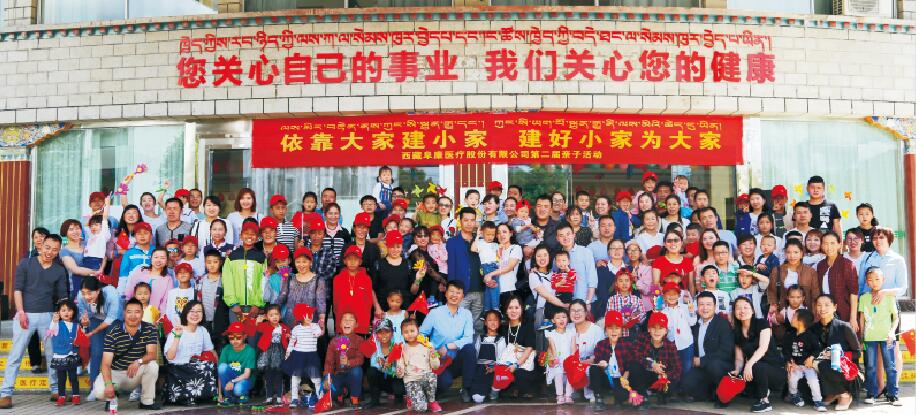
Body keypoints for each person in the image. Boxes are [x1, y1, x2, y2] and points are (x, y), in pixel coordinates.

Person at [0, 234, 68, 409]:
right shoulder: (26, 264)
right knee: (15, 355)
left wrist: (58, 316)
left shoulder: (59, 270)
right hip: (26, 315)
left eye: (55, 250)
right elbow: (17, 290)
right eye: (47, 247)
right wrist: (21, 312)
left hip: (49, 316)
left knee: (53, 355)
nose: (50, 252)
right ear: (41, 245)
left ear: (58, 251)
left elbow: (62, 297)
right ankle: (5, 394)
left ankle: (56, 389)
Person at [93, 298, 160, 412]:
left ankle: (147, 401)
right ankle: (112, 398)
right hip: (116, 373)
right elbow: (106, 364)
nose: (133, 316)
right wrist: (108, 384)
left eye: (137, 312)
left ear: (142, 313)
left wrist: (138, 362)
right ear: (124, 313)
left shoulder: (150, 329)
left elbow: (152, 354)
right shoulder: (113, 332)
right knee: (99, 392)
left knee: (153, 366)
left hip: (136, 372)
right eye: (129, 312)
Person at [419, 281, 476, 402]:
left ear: (462, 296)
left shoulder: (466, 314)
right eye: (452, 291)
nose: (454, 295)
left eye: (458, 293)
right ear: (446, 293)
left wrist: (447, 346)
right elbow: (421, 335)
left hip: (456, 359)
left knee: (470, 349)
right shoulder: (435, 313)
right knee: (444, 383)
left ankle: (466, 389)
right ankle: (432, 391)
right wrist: (431, 349)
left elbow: (468, 338)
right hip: (438, 360)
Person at [732, 296, 786, 413]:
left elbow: (763, 348)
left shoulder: (762, 323)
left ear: (752, 311)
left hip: (774, 371)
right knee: (734, 382)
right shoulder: (736, 332)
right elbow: (739, 358)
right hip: (754, 370)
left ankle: (765, 402)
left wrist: (749, 364)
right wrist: (737, 370)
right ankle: (760, 391)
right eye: (738, 308)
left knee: (757, 366)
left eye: (745, 307)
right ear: (734, 312)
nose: (742, 311)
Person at [680, 292, 735, 406]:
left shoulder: (722, 324)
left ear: (715, 307)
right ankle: (710, 393)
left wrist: (702, 360)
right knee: (686, 384)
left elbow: (726, 352)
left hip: (719, 367)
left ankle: (724, 394)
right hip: (701, 368)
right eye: (701, 304)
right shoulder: (693, 323)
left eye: (708, 304)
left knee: (714, 365)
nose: (705, 308)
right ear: (697, 306)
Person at [859, 268, 901, 406]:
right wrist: (861, 337)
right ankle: (872, 394)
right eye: (870, 280)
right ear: (867, 282)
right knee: (870, 366)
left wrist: (892, 332)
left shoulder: (889, 297)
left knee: (890, 367)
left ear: (883, 280)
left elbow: (896, 318)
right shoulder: (864, 298)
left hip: (887, 337)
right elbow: (862, 319)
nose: (874, 282)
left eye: (877, 279)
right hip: (869, 338)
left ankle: (893, 395)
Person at [811, 295, 860, 411]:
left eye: (827, 305)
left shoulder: (844, 327)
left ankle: (844, 394)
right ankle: (833, 393)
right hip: (822, 364)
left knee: (825, 364)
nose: (822, 308)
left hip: (846, 368)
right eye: (819, 305)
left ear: (835, 307)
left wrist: (837, 355)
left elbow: (857, 353)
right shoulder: (813, 328)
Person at [163, 301, 217, 405]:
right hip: (178, 368)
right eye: (192, 311)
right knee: (203, 367)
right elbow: (169, 357)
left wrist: (217, 366)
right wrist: (177, 336)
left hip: (195, 366)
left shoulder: (202, 330)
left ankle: (198, 396)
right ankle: (188, 396)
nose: (195, 314)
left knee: (209, 365)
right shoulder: (176, 330)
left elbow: (211, 351)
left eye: (199, 311)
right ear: (185, 313)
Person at [76, 276, 122, 394]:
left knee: (111, 352)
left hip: (114, 320)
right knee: (96, 352)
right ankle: (94, 388)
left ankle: (114, 387)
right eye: (84, 293)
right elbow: (83, 315)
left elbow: (111, 318)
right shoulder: (81, 296)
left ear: (98, 290)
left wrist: (93, 332)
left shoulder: (111, 293)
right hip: (95, 319)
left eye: (89, 293)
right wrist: (84, 322)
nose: (86, 296)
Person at [782, 309, 826, 411]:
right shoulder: (790, 335)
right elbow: (786, 350)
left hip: (808, 366)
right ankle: (794, 395)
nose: (791, 318)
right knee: (792, 378)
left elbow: (817, 349)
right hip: (795, 365)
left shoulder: (810, 336)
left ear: (800, 321)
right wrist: (789, 361)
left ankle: (818, 401)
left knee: (813, 380)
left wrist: (811, 358)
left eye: (794, 316)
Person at [447, 207, 484, 327]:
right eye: (466, 220)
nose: (469, 223)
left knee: (478, 325)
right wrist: (453, 291)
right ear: (460, 221)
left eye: (472, 220)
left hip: (479, 288)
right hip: (461, 291)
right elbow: (451, 268)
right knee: (459, 324)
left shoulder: (480, 240)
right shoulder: (452, 242)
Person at [223, 221, 266, 323]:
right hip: (236, 307)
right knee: (236, 333)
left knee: (253, 333)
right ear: (241, 236)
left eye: (253, 234)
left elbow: (264, 281)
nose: (249, 236)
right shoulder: (232, 256)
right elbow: (227, 280)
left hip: (254, 308)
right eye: (246, 233)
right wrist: (233, 304)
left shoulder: (261, 257)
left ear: (257, 237)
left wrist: (257, 304)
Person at [396, 318, 443, 412]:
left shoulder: (427, 345)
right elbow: (400, 374)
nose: (409, 334)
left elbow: (436, 366)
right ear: (402, 334)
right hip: (411, 380)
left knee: (432, 376)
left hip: (425, 377)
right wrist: (399, 371)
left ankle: (432, 401)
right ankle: (411, 398)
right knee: (421, 409)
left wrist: (434, 356)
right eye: (406, 332)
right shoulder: (402, 349)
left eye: (412, 331)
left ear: (418, 330)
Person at [283, 304, 323, 409]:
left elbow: (318, 334)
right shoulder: (296, 329)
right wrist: (288, 352)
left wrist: (311, 325)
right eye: (307, 314)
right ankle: (294, 398)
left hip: (311, 355)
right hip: (298, 355)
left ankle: (321, 397)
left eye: (311, 314)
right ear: (301, 316)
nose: (310, 316)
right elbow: (292, 341)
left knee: (316, 378)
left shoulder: (315, 326)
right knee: (295, 378)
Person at [816, 232, 859, 328]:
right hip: (825, 312)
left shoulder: (847, 264)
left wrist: (853, 318)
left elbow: (854, 293)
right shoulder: (821, 265)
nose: (829, 247)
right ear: (822, 245)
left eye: (832, 243)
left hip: (844, 312)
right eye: (825, 243)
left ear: (839, 245)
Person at [374, 230, 421, 317]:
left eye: (398, 247)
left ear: (402, 246)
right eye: (392, 247)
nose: (395, 250)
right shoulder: (378, 264)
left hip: (404, 312)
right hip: (384, 311)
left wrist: (418, 279)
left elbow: (413, 292)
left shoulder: (408, 264)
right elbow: (372, 289)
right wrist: (377, 307)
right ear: (387, 246)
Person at [589, 310, 630, 410]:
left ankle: (619, 398)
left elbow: (631, 363)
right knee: (593, 369)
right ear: (605, 330)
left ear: (621, 330)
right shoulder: (601, 344)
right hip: (607, 378)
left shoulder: (627, 345)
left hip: (622, 380)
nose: (614, 331)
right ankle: (598, 397)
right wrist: (601, 363)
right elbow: (597, 359)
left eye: (617, 328)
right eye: (610, 328)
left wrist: (625, 377)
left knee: (621, 397)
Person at [325, 312, 366, 407]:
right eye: (344, 320)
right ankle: (341, 393)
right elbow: (329, 362)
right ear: (340, 324)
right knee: (328, 388)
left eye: (351, 320)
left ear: (356, 325)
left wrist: (348, 362)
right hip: (338, 374)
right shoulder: (334, 341)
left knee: (357, 370)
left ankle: (354, 398)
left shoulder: (360, 340)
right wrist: (327, 377)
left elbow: (360, 359)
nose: (347, 322)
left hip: (352, 376)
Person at [768, 239, 820, 314]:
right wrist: (773, 306)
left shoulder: (810, 272)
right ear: (785, 254)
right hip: (782, 313)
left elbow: (815, 294)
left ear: (801, 254)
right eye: (789, 252)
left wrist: (814, 314)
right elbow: (772, 291)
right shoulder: (777, 270)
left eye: (796, 252)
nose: (792, 256)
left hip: (805, 314)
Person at [500, 295, 537, 398]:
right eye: (510, 308)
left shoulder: (527, 326)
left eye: (516, 307)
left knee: (520, 375)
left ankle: (520, 389)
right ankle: (514, 389)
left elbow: (529, 348)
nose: (513, 311)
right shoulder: (502, 328)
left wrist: (516, 365)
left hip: (523, 363)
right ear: (506, 310)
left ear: (521, 309)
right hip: (506, 363)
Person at [281, 248, 326, 330]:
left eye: (304, 262)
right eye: (298, 262)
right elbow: (282, 297)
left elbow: (321, 303)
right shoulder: (289, 278)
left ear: (311, 262)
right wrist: (272, 311)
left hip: (310, 322)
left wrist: (322, 320)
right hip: (290, 321)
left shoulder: (318, 280)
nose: (301, 265)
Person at [333, 245, 375, 335]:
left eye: (355, 259)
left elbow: (369, 302)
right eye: (349, 259)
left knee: (360, 343)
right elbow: (336, 302)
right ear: (344, 261)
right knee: (343, 343)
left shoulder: (366, 279)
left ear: (360, 261)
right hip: (343, 323)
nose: (352, 262)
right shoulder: (338, 279)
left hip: (361, 323)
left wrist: (366, 321)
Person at [660, 281, 696, 381]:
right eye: (669, 294)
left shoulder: (685, 308)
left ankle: (686, 387)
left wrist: (691, 311)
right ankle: (675, 387)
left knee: (687, 368)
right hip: (671, 345)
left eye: (674, 294)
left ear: (679, 295)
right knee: (674, 369)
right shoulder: (662, 312)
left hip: (686, 343)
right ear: (664, 296)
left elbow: (693, 322)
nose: (672, 297)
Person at [556, 222, 598, 308]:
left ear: (573, 235)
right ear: (557, 238)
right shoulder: (557, 257)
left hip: (583, 301)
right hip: (565, 303)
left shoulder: (585, 252)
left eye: (568, 234)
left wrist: (588, 302)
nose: (565, 238)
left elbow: (592, 279)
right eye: (561, 235)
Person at [569, 299, 605, 402]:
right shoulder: (567, 328)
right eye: (573, 310)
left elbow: (600, 354)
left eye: (579, 310)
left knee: (593, 370)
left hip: (590, 364)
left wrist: (583, 362)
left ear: (585, 312)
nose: (576, 313)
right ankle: (569, 392)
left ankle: (592, 393)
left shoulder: (596, 330)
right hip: (572, 365)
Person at [364, 319, 405, 409]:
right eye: (380, 332)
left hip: (395, 378)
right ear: (376, 334)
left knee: (399, 376)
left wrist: (392, 366)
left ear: (392, 332)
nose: (383, 335)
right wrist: (382, 365)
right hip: (382, 380)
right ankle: (375, 400)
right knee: (371, 371)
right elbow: (373, 366)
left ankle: (399, 397)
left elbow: (403, 365)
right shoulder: (374, 346)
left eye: (387, 332)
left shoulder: (398, 345)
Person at [49, 299, 81, 406]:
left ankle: (76, 396)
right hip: (60, 357)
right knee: (61, 379)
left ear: (74, 312)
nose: (66, 312)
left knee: (73, 378)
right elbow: (52, 329)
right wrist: (54, 321)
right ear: (58, 312)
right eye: (63, 310)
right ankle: (61, 396)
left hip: (72, 356)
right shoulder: (57, 325)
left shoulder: (77, 325)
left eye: (69, 310)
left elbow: (81, 337)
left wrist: (84, 327)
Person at [470, 310, 507, 404]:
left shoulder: (501, 339)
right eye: (490, 320)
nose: (493, 322)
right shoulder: (480, 338)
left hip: (494, 369)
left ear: (499, 323)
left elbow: (502, 359)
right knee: (476, 396)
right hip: (480, 369)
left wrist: (494, 368)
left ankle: (494, 391)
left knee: (500, 375)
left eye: (495, 320)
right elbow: (476, 355)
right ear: (485, 323)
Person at [218, 322, 256, 407]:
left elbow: (246, 375)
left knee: (238, 390)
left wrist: (232, 381)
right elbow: (220, 373)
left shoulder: (250, 350)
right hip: (230, 380)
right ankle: (229, 397)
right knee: (222, 367)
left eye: (238, 337)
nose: (234, 341)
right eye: (231, 338)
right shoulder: (226, 349)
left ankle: (242, 395)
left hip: (244, 379)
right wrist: (220, 394)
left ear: (245, 336)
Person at [545, 309, 575, 404]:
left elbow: (573, 348)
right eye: (558, 318)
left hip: (569, 358)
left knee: (571, 370)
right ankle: (560, 395)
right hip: (556, 359)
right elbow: (552, 349)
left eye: (564, 317)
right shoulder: (551, 334)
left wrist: (572, 360)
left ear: (568, 318)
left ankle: (568, 395)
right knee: (557, 370)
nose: (561, 320)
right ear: (553, 320)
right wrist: (555, 359)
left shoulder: (571, 332)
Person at [594, 239, 626, 320]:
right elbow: (602, 293)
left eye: (620, 248)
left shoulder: (630, 269)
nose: (617, 250)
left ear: (624, 251)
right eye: (613, 248)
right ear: (608, 252)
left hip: (626, 313)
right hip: (606, 312)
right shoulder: (601, 269)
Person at [606, 270, 644, 339]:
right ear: (616, 284)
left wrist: (635, 318)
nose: (624, 283)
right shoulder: (612, 300)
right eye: (621, 281)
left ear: (631, 282)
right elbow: (609, 316)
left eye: (627, 280)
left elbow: (642, 315)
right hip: (617, 335)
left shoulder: (637, 299)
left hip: (634, 335)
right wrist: (620, 321)